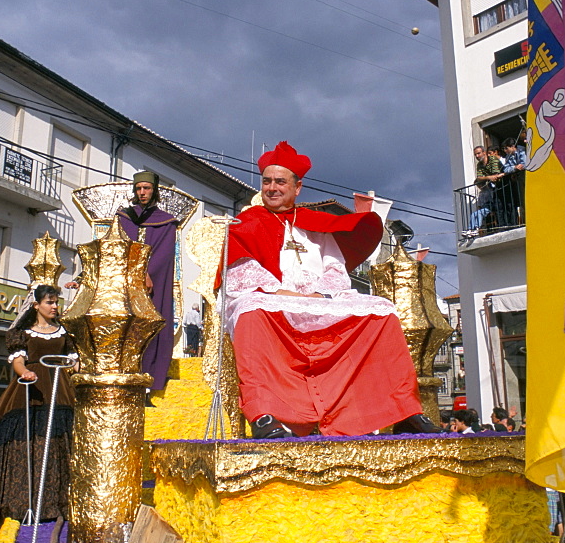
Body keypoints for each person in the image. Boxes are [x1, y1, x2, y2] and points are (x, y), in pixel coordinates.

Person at [222, 141, 438, 438]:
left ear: (297, 188)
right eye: (267, 181)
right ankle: (265, 414)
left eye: (280, 182)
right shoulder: (246, 223)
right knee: (250, 311)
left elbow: (336, 269)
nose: (272, 188)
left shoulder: (316, 225)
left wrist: (319, 296)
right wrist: (282, 295)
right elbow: (242, 269)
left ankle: (402, 411)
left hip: (317, 302)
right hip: (274, 304)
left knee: (382, 312)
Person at [0, 284, 78, 532]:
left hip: (60, 386)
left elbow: (75, 362)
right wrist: (26, 372)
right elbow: (18, 362)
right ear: (36, 306)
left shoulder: (66, 332)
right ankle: (22, 502)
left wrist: (78, 372)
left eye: (56, 303)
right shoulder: (22, 333)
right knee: (26, 442)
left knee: (59, 443)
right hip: (32, 388)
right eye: (49, 303)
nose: (55, 307)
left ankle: (58, 503)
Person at [118, 171, 179, 391]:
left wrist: (147, 273)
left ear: (154, 190)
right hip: (125, 281)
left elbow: (164, 255)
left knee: (151, 325)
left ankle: (149, 378)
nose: (142, 193)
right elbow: (120, 247)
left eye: (146, 188)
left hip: (152, 282)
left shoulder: (166, 222)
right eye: (138, 189)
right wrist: (135, 272)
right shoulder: (124, 217)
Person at [461, 146, 503, 238]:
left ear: (484, 152)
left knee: (481, 213)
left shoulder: (493, 159)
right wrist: (489, 178)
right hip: (489, 202)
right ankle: (470, 229)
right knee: (474, 214)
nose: (477, 156)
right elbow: (479, 177)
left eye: (479, 153)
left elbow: (495, 175)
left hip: (500, 189)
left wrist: (489, 178)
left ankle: (476, 228)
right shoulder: (479, 165)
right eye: (475, 154)